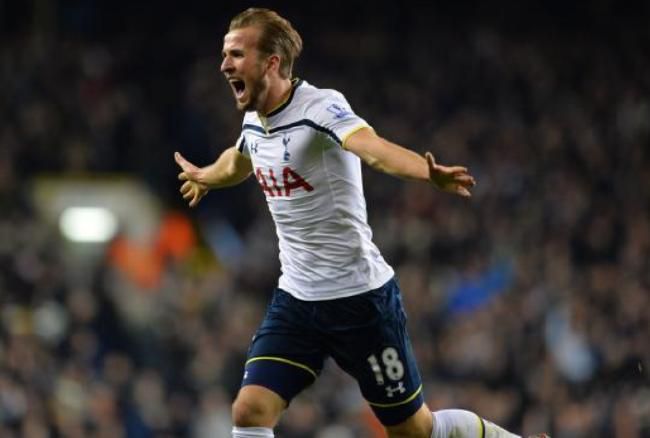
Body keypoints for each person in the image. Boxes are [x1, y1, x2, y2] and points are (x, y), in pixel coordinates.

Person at [175, 8, 547, 438]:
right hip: (297, 300)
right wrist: (207, 175)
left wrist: (427, 173)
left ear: (270, 62)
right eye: (225, 55)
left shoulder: (320, 106)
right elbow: (239, 159)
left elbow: (371, 148)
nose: (224, 65)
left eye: (236, 55)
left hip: (361, 301)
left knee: (414, 431)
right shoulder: (254, 119)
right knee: (249, 410)